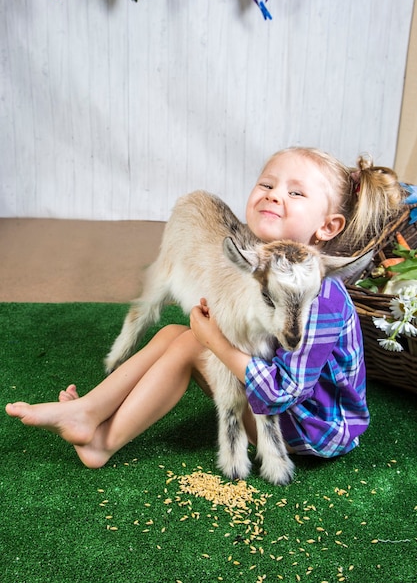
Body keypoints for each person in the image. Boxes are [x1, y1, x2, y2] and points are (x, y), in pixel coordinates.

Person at [5, 147, 405, 469]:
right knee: (172, 334)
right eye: (266, 183)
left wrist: (214, 340)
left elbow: (284, 391)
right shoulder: (258, 263)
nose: (273, 194)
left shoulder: (320, 295)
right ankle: (91, 416)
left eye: (295, 193)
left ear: (328, 227)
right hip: (282, 409)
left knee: (191, 345)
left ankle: (100, 439)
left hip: (314, 431)